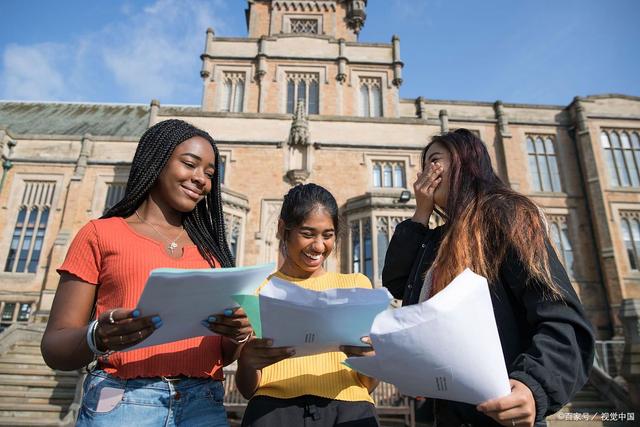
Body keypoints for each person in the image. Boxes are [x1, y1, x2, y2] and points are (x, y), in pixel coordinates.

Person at [41, 119, 253, 426]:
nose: (201, 179)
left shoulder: (214, 254)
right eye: (190, 164)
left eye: (209, 173)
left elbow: (221, 354)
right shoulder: (100, 234)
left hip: (202, 404)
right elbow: (54, 347)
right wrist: (97, 336)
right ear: (158, 160)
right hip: (120, 400)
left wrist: (237, 334)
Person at [382, 129, 595, 427]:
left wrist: (532, 386)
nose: (425, 173)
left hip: (500, 413)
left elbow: (560, 316)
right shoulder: (435, 240)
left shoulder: (506, 214)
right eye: (424, 163)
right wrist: (420, 213)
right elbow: (396, 281)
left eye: (434, 160)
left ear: (464, 162)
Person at [235, 183, 380, 427]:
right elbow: (248, 389)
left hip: (350, 410)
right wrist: (246, 362)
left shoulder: (357, 285)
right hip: (273, 412)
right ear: (283, 229)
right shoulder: (257, 289)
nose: (319, 246)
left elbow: (368, 383)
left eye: (328, 234)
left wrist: (371, 358)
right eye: (308, 233)